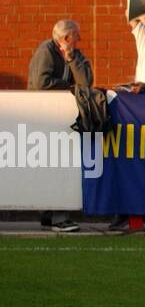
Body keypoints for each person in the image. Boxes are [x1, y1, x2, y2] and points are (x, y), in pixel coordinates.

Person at [27, 19, 92, 232]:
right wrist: (69, 87)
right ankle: (58, 217)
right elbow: (41, 84)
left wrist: (72, 59)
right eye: (76, 36)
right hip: (43, 118)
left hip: (63, 120)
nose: (80, 39)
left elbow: (86, 83)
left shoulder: (75, 54)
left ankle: (50, 215)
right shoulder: (46, 51)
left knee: (59, 164)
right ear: (65, 38)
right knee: (56, 165)